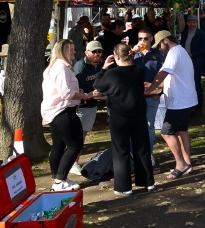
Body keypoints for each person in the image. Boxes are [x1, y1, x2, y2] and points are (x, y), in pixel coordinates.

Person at [93, 43, 155, 196]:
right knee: (142, 148)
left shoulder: (112, 74)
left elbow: (98, 85)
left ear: (116, 57)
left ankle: (124, 186)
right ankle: (148, 182)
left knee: (121, 151)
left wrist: (104, 68)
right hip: (138, 114)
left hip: (119, 116)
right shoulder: (140, 70)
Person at [144, 30, 197, 179]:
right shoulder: (181, 52)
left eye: (160, 44)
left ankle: (181, 164)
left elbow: (163, 73)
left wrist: (150, 89)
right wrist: (154, 86)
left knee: (167, 132)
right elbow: (170, 76)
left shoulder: (174, 53)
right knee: (182, 130)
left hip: (179, 101)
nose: (160, 48)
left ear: (166, 41)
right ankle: (187, 163)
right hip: (187, 98)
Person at [41, 39, 88, 191]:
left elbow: (63, 90)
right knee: (75, 145)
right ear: (63, 51)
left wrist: (78, 93)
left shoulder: (55, 66)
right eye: (72, 49)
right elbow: (66, 93)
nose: (75, 52)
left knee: (58, 146)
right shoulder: (61, 67)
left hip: (55, 111)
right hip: (63, 111)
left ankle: (58, 179)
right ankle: (59, 180)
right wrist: (87, 95)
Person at [70, 40, 105, 176]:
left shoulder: (102, 64)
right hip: (80, 106)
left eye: (99, 51)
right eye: (94, 51)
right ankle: (72, 163)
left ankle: (74, 161)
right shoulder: (80, 66)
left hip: (92, 105)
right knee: (77, 137)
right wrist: (93, 91)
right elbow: (79, 88)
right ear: (86, 52)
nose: (97, 54)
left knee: (83, 135)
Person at [132, 30, 164, 163]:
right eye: (140, 38)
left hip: (152, 96)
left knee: (149, 125)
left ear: (151, 39)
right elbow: (121, 68)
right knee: (133, 125)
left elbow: (164, 74)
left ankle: (148, 153)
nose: (143, 41)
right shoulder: (133, 55)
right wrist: (132, 53)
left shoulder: (158, 54)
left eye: (145, 38)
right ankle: (133, 154)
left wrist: (158, 91)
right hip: (134, 95)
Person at [181, 15, 205, 116]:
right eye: (190, 22)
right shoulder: (184, 33)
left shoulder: (201, 34)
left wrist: (193, 54)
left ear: (197, 23)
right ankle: (190, 105)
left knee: (196, 83)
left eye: (194, 23)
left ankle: (199, 106)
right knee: (187, 84)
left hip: (196, 62)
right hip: (185, 61)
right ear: (187, 23)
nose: (192, 25)